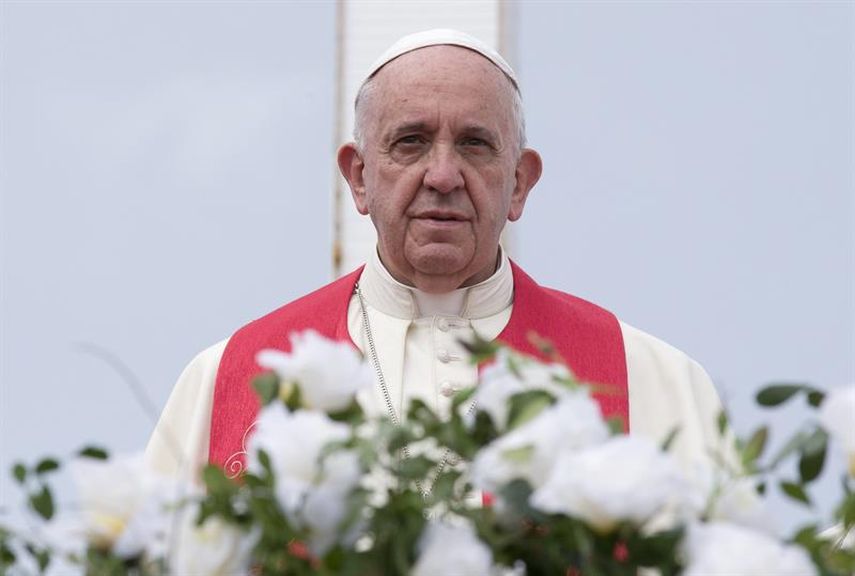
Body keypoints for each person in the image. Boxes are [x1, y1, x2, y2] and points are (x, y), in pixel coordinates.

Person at [146, 29, 724, 483]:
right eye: (410, 142)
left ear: (519, 182)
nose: (443, 175)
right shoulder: (232, 377)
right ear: (359, 177)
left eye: (475, 144)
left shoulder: (651, 379)